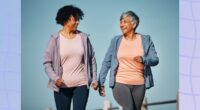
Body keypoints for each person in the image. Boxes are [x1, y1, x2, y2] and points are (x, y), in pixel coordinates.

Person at [98, 11, 159, 110]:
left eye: (124, 22)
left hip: (139, 84)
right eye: (120, 22)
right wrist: (101, 81)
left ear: (134, 24)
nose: (121, 25)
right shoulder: (116, 41)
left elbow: (155, 59)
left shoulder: (146, 40)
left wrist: (144, 59)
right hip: (120, 82)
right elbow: (107, 62)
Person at [43, 5, 98, 110]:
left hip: (81, 84)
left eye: (78, 19)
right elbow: (47, 63)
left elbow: (92, 60)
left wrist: (94, 79)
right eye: (75, 19)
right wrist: (55, 78)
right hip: (62, 87)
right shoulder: (54, 40)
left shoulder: (83, 38)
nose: (78, 22)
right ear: (65, 20)